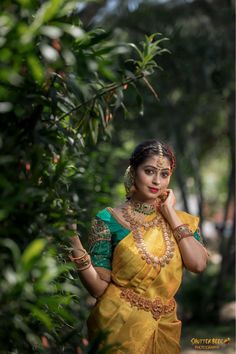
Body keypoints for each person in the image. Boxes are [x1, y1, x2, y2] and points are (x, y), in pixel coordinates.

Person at [69, 140, 208, 354]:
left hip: (165, 326)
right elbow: (98, 289)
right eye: (149, 171)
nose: (157, 181)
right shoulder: (108, 219)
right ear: (133, 172)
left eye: (164, 174)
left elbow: (198, 264)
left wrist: (170, 213)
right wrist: (73, 241)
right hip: (117, 325)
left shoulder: (183, 222)